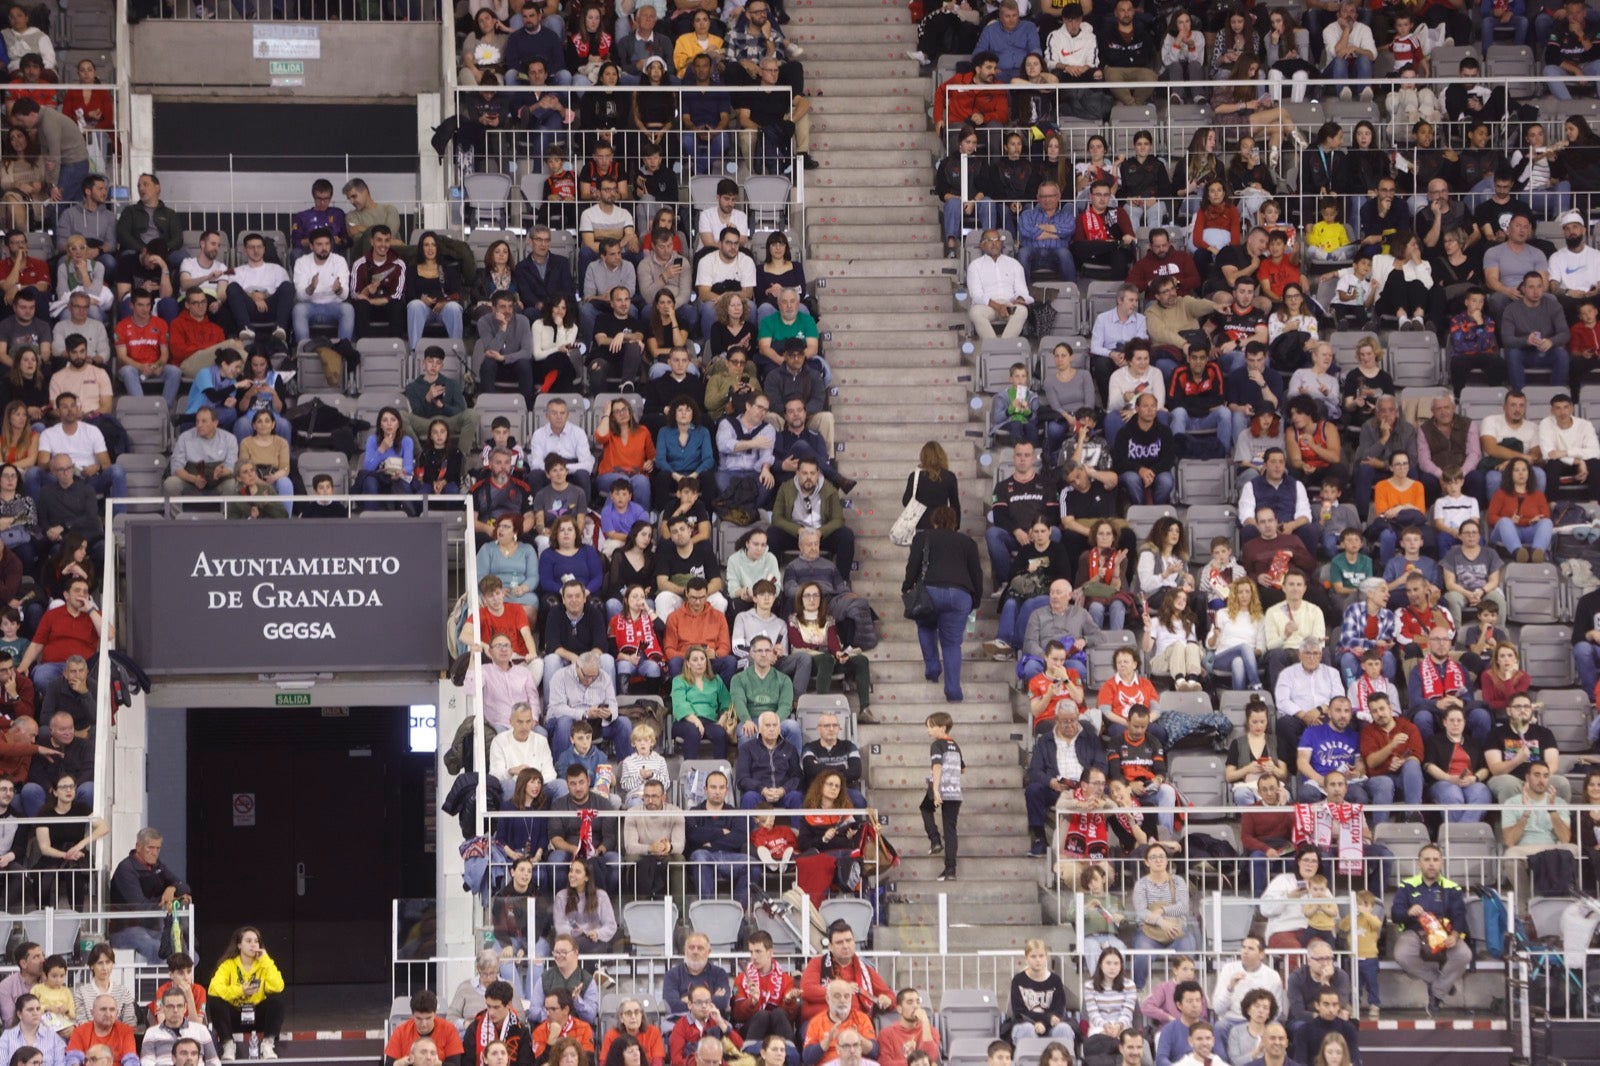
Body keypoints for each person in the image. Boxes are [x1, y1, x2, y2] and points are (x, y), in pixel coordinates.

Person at [108, 827, 191, 964]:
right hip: (125, 929)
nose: (155, 853)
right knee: (160, 950)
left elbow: (185, 887)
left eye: (158, 848)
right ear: (138, 846)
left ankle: (184, 984)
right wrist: (168, 900)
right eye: (150, 848)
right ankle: (168, 984)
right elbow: (140, 907)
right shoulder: (126, 869)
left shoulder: (157, 865)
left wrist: (172, 888)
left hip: (153, 927)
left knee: (187, 952)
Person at [206, 927, 285, 1060]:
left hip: (257, 1015)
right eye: (248, 941)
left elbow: (278, 986)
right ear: (239, 945)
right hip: (235, 1016)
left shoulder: (264, 964)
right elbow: (214, 988)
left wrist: (266, 960)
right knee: (215, 1000)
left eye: (256, 941)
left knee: (277, 998)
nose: (253, 944)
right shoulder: (228, 965)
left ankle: (268, 1044)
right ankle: (228, 1045)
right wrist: (240, 990)